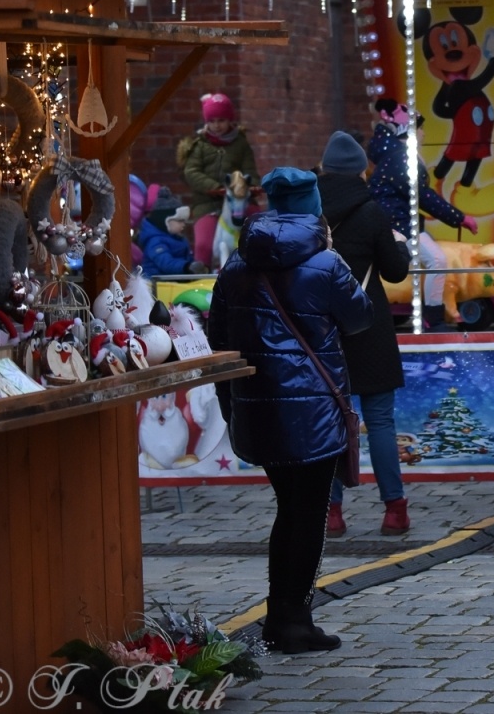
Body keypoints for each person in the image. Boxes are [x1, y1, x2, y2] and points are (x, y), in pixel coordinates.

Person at [207, 167, 370, 654]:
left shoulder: (237, 265)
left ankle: (284, 614)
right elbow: (360, 318)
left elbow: (218, 334)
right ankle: (293, 620)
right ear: (312, 204)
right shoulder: (325, 262)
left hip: (258, 411)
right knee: (308, 514)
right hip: (315, 412)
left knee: (289, 511)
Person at [317, 132, 413, 539]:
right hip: (368, 327)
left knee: (331, 423)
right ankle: (394, 510)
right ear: (361, 170)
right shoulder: (372, 212)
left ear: (323, 170)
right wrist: (399, 247)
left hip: (322, 329)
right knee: (380, 421)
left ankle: (333, 513)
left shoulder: (309, 213)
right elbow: (394, 272)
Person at [366, 98, 479, 329]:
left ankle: (431, 314)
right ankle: (433, 317)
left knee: (433, 260)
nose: (423, 134)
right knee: (436, 259)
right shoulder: (400, 158)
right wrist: (459, 218)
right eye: (419, 128)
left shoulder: (395, 156)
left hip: (400, 221)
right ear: (408, 131)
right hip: (397, 224)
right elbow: (421, 195)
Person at [180, 92, 259, 267]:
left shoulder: (240, 144)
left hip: (239, 199)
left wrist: (250, 186)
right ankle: (200, 278)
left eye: (221, 120)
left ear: (230, 120)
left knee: (258, 230)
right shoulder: (199, 145)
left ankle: (262, 270)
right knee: (203, 246)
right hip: (208, 203)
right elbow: (191, 172)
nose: (216, 126)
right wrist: (214, 187)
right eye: (212, 121)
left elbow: (250, 171)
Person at [137, 187, 205, 275]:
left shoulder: (180, 238)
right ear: (165, 221)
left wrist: (196, 266)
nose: (183, 224)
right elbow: (166, 264)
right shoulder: (155, 241)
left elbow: (188, 258)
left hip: (174, 280)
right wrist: (187, 267)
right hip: (157, 283)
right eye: (179, 221)